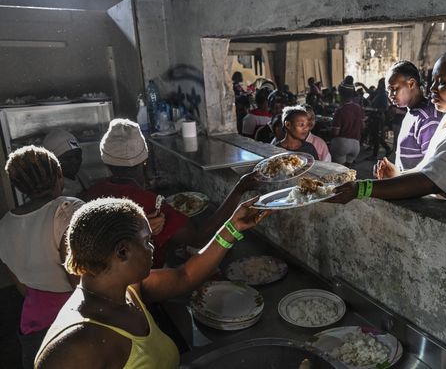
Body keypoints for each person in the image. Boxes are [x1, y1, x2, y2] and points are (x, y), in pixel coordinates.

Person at [34, 196, 271, 368]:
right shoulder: (76, 347)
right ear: (123, 252)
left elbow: (185, 276)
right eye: (147, 241)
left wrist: (234, 227)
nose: (153, 247)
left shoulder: (126, 290)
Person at [85, 119, 259, 268]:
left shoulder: (94, 192)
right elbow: (199, 237)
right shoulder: (151, 204)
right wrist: (239, 189)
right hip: (147, 279)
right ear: (145, 160)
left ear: (106, 160)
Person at [330, 46, 446, 204]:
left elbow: (429, 180)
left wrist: (362, 188)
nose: (432, 88)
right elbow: (428, 167)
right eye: (433, 81)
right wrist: (399, 175)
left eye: (442, 83)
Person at [0, 146, 84, 369]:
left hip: (34, 323)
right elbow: (79, 278)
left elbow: (23, 287)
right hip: (75, 321)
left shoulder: (4, 225)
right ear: (59, 174)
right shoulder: (68, 210)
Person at [375, 60, 444, 178]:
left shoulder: (428, 118)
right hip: (406, 187)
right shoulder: (412, 112)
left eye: (394, 88)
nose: (390, 95)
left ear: (411, 84)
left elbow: (431, 170)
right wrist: (395, 173)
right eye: (388, 91)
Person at [330, 77, 364, 166]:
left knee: (339, 172)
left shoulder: (340, 110)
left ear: (341, 94)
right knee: (348, 172)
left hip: (341, 144)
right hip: (356, 146)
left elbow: (335, 132)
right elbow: (362, 126)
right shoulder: (358, 108)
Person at [41, 129, 85, 197]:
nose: (75, 161)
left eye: (78, 156)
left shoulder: (81, 176)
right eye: (68, 158)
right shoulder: (49, 189)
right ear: (52, 161)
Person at [367, 78, 393, 159]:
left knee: (377, 136)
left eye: (379, 83)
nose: (378, 85)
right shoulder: (379, 93)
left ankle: (381, 151)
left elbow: (385, 108)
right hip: (375, 117)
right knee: (375, 136)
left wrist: (374, 109)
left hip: (378, 118)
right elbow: (370, 92)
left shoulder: (383, 95)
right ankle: (385, 150)